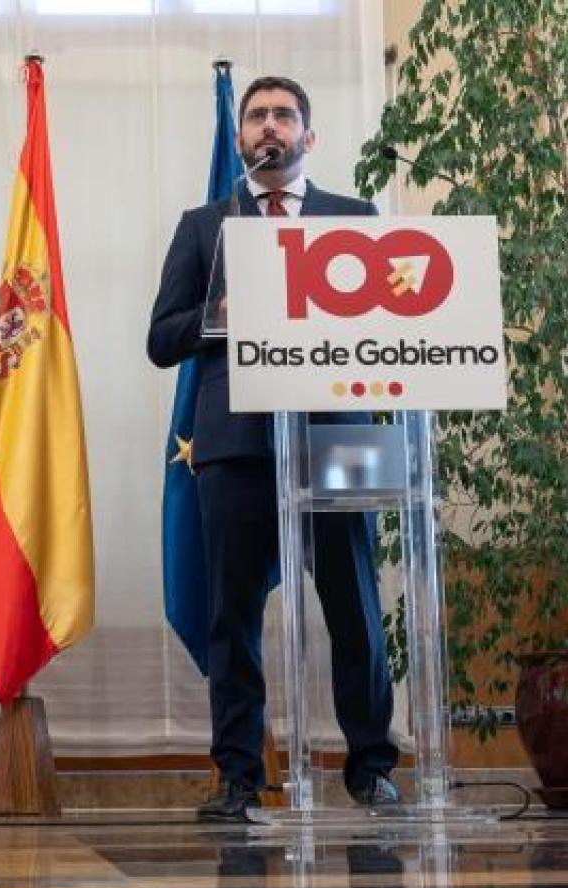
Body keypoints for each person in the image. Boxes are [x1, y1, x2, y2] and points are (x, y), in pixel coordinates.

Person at [147, 76, 399, 822]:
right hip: (234, 443)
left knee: (355, 606)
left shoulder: (354, 218)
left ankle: (371, 769)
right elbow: (161, 339)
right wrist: (215, 316)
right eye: (256, 116)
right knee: (232, 616)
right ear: (243, 137)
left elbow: (387, 326)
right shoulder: (203, 225)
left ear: (308, 138)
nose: (268, 128)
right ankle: (237, 776)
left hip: (341, 433)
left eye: (284, 115)